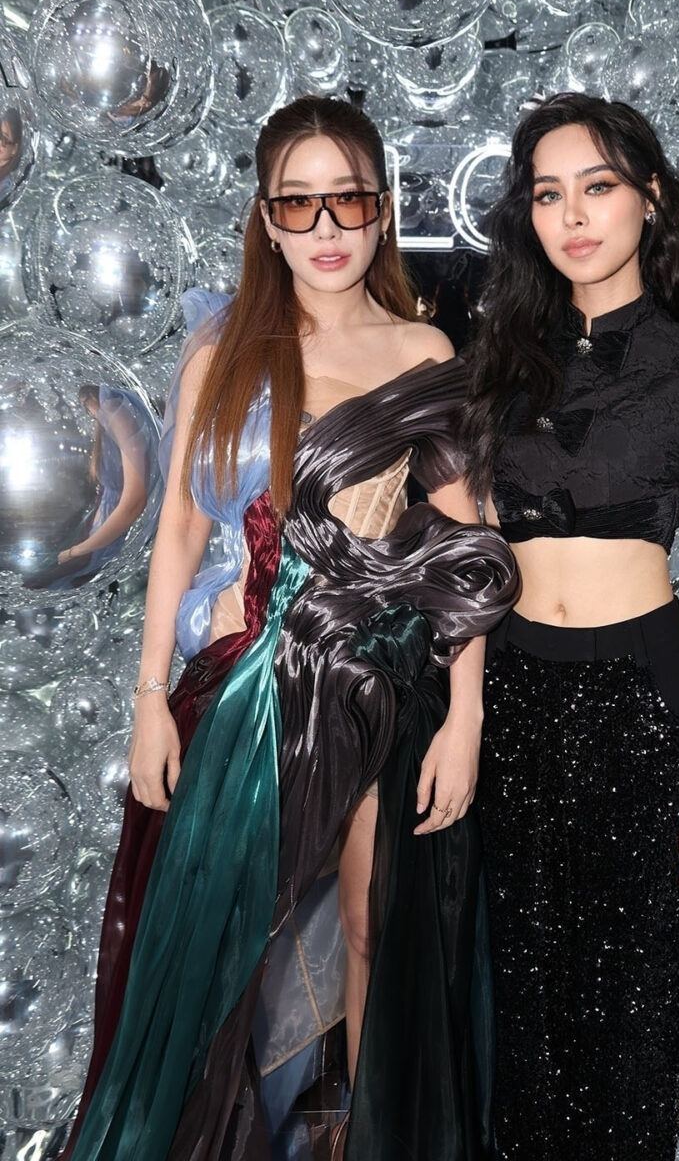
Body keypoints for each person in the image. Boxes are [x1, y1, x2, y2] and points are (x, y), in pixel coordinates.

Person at [61, 94, 517, 1161]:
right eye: (298, 204)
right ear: (266, 222)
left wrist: (466, 719)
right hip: (249, 694)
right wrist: (148, 701)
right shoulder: (223, 351)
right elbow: (180, 529)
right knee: (219, 955)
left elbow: (472, 548)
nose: (325, 228)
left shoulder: (422, 349)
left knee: (371, 932)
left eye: (347, 200)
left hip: (384, 691)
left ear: (381, 210)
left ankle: (359, 1142)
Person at [462, 92, 679, 1159]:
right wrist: (463, 715)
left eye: (597, 186)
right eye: (549, 194)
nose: (575, 215)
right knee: (523, 1023)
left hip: (647, 704)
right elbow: (470, 550)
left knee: (634, 1025)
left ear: (651, 197)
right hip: (514, 699)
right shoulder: (494, 363)